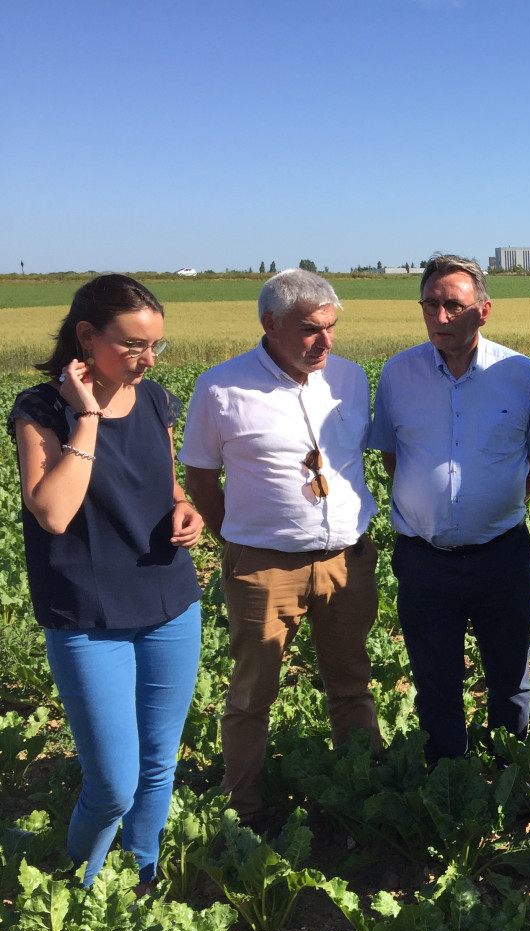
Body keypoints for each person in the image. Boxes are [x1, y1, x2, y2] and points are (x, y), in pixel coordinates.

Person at [8, 275, 203, 889]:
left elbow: (165, 483)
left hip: (169, 601)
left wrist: (184, 506)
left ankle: (141, 884)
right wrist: (87, 417)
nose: (146, 360)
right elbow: (54, 511)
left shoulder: (154, 401)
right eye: (134, 346)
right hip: (88, 617)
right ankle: (78, 891)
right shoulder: (40, 410)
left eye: (156, 347)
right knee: (112, 783)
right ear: (87, 337)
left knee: (155, 766)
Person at [180, 268, 380, 826]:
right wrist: (248, 543)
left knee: (353, 686)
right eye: (311, 329)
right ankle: (244, 812)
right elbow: (200, 480)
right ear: (270, 324)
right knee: (251, 695)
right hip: (264, 568)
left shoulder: (349, 378)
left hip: (347, 560)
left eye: (332, 328)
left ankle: (367, 799)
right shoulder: (220, 387)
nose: (325, 342)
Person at [368, 255, 530, 763]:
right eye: (431, 305)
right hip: (424, 559)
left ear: (484, 311)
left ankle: (510, 775)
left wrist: (495, 508)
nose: (440, 318)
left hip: (501, 554)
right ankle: (449, 779)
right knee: (434, 679)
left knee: (511, 676)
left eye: (454, 305)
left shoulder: (520, 374)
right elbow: (392, 459)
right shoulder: (398, 374)